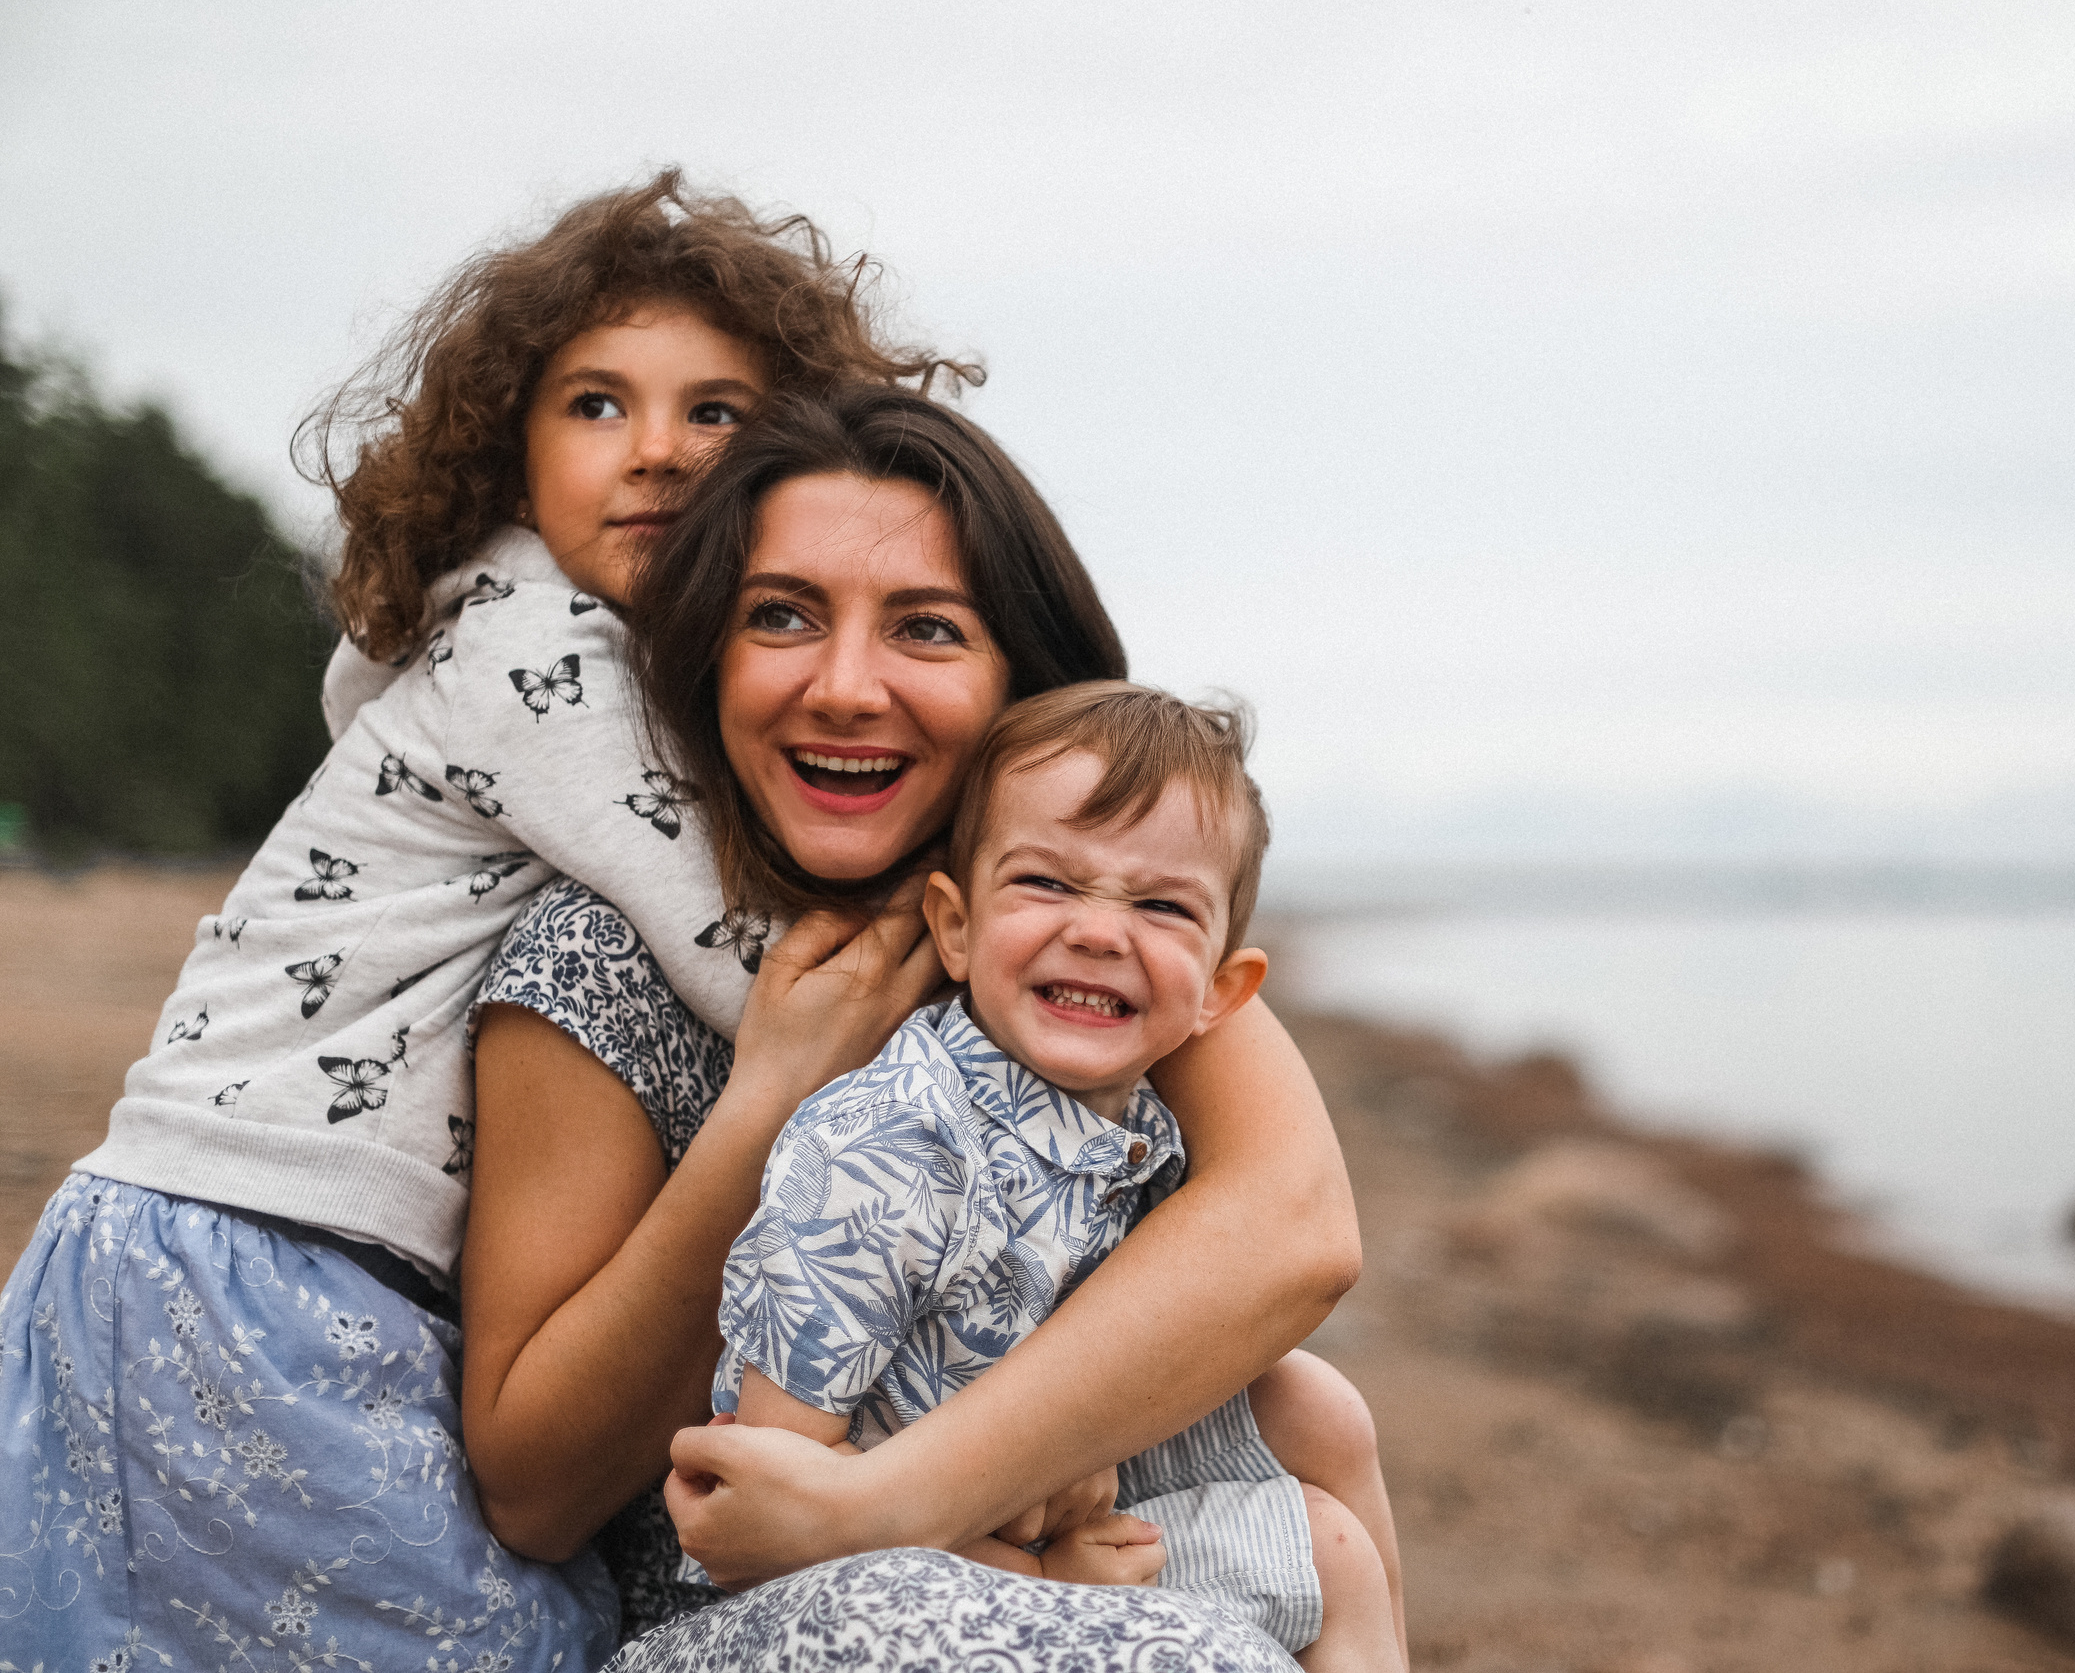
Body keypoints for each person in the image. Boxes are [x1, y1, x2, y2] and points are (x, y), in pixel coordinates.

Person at [0, 172, 939, 1672]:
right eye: (594, 406)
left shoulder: (503, 647)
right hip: (250, 1252)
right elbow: (738, 953)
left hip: (225, 1246)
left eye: (715, 412)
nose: (655, 453)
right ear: (509, 450)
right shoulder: (549, 651)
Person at [462, 384, 1393, 1670]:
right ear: (708, 656)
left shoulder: (1077, 937)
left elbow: (1293, 1232)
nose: (846, 687)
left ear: (1015, 675)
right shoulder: (604, 949)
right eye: (780, 616)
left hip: (1005, 1539)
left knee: (1318, 1486)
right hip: (740, 1608)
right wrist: (771, 1100)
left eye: (927, 628)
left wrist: (895, 1505)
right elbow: (531, 1487)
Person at [710, 680, 1402, 1673]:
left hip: (1049, 1521)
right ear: (954, 927)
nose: (1100, 931)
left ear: (1221, 991)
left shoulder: (1147, 1139)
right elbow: (769, 1497)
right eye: (1046, 884)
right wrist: (1032, 1582)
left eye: (1161, 905)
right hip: (848, 1587)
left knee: (1332, 1523)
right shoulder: (883, 1151)